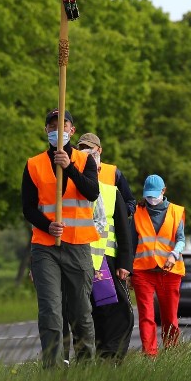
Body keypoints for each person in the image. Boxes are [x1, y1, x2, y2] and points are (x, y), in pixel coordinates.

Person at [21, 108, 100, 368]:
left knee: (81, 313)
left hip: (78, 246)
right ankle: (52, 370)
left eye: (63, 125)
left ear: (72, 130)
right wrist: (47, 225)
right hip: (45, 247)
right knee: (51, 313)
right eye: (52, 125)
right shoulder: (33, 164)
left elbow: (91, 193)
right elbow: (28, 208)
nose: (58, 129)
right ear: (46, 130)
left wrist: (70, 168)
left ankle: (86, 368)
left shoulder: (84, 160)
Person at [75, 137, 135, 363]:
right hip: (78, 263)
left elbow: (123, 232)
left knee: (117, 314)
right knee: (86, 315)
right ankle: (90, 360)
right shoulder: (70, 193)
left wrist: (124, 264)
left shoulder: (111, 192)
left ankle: (110, 359)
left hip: (105, 264)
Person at [129, 174, 186, 356]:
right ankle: (150, 356)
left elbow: (181, 240)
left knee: (170, 317)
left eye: (155, 194)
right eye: (148, 195)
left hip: (169, 271)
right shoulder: (137, 212)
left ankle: (171, 353)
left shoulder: (176, 211)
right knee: (146, 317)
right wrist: (129, 271)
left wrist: (173, 255)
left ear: (164, 191)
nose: (151, 199)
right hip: (142, 271)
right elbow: (131, 244)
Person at [76, 132, 136, 218]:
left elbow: (130, 203)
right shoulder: (72, 171)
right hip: (80, 228)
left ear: (99, 150)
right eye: (82, 148)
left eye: (89, 147)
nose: (85, 151)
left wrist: (118, 214)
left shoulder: (113, 173)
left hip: (105, 230)